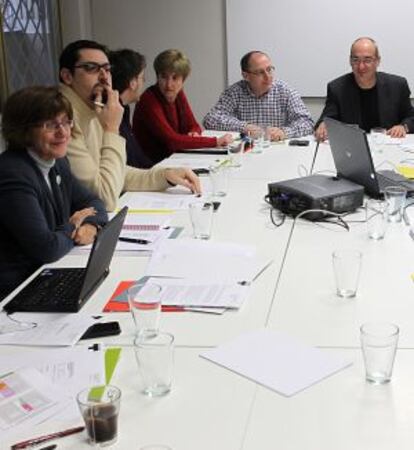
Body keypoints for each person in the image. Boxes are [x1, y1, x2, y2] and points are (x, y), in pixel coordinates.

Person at [59, 40, 201, 211]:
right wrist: (111, 129)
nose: (104, 77)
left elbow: (117, 173)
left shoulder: (92, 107)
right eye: (92, 68)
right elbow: (104, 198)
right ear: (67, 76)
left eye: (107, 69)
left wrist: (166, 175)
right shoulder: (62, 119)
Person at [0, 86, 108, 300]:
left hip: (47, 276)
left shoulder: (57, 162)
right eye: (51, 125)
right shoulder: (12, 173)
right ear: (24, 130)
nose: (63, 132)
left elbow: (94, 202)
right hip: (16, 294)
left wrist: (91, 226)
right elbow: (47, 248)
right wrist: (73, 225)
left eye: (66, 121)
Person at [132, 49, 233, 165]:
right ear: (157, 77)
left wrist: (193, 133)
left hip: (174, 159)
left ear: (183, 80)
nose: (169, 85)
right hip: (151, 166)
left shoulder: (178, 93)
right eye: (163, 77)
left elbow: (193, 125)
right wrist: (216, 141)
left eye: (175, 78)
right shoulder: (148, 100)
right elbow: (171, 140)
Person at [315, 37, 414, 141]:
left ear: (377, 61)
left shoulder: (397, 85)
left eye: (367, 60)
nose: (361, 67)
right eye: (355, 60)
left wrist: (403, 127)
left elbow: (411, 118)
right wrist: (323, 125)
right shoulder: (337, 88)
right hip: (354, 148)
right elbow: (326, 119)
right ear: (350, 61)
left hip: (388, 146)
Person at [203, 51, 314, 141]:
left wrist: (284, 132)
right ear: (246, 76)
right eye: (260, 72)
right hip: (245, 151)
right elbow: (210, 119)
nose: (268, 76)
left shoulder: (285, 91)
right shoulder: (234, 92)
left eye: (269, 69)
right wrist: (243, 127)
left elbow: (307, 123)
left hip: (277, 151)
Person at [109, 48, 153, 169]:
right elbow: (131, 161)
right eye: (142, 78)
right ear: (133, 83)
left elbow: (138, 157)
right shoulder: (112, 113)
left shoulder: (124, 108)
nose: (143, 82)